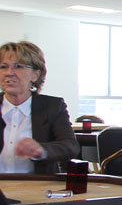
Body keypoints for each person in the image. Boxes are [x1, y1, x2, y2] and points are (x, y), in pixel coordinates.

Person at [0, 41, 79, 174]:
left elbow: (71, 146)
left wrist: (41, 150)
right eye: (3, 66)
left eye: (18, 66)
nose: (9, 72)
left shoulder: (52, 106)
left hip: (36, 187)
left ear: (35, 75)